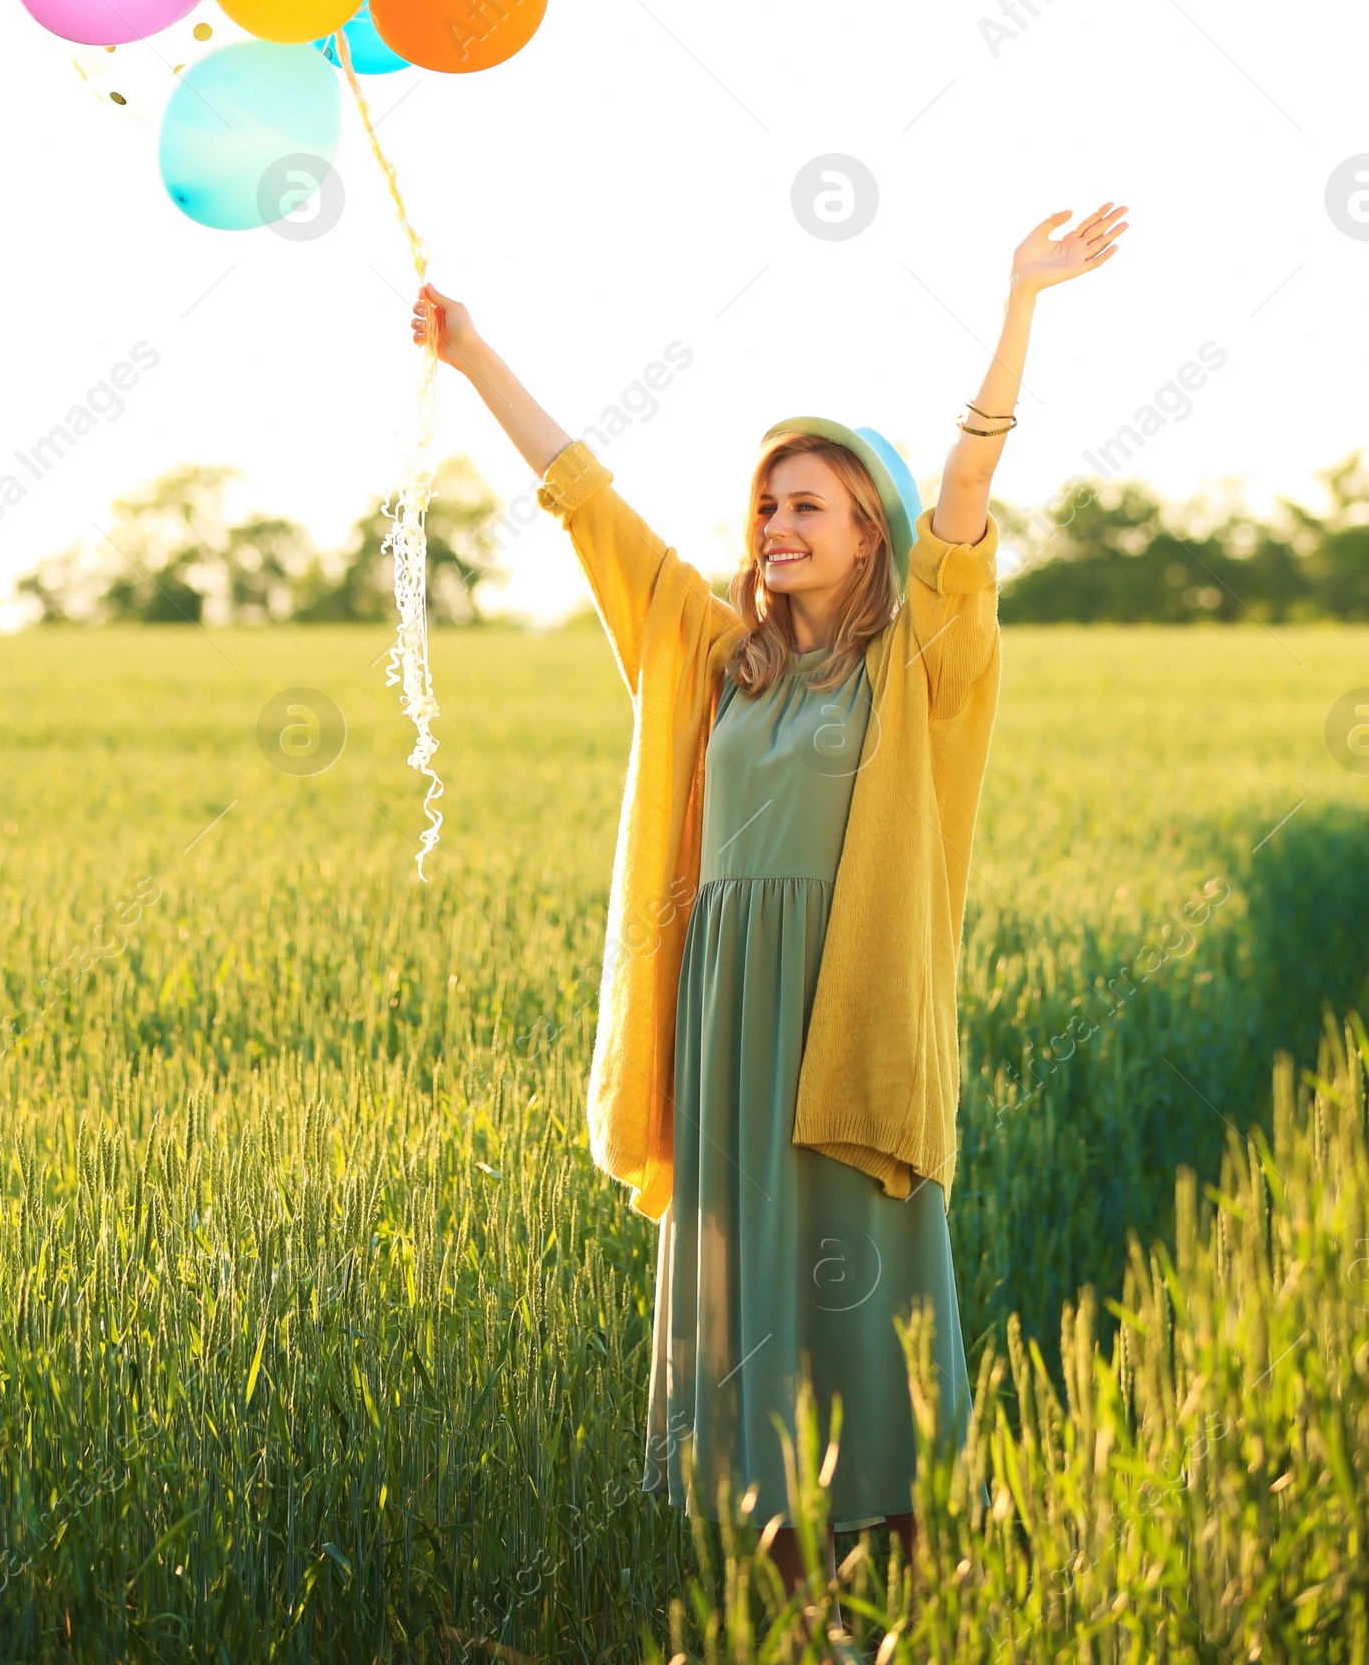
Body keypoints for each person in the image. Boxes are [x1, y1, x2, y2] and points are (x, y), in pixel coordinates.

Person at [410, 203, 1128, 1596]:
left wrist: (1018, 306)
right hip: (728, 1020)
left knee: (870, 1292)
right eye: (765, 504)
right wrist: (473, 353)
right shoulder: (707, 647)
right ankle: (792, 1612)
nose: (774, 524)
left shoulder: (922, 655)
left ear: (874, 535)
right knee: (748, 1308)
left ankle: (921, 1592)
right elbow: (583, 497)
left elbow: (969, 509)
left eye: (807, 505)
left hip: (849, 1015)